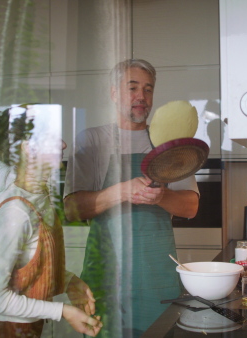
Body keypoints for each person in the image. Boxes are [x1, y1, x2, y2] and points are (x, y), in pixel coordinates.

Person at [63, 59, 200, 337]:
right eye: (132, 88)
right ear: (114, 93)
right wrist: (122, 191)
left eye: (148, 89)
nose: (141, 96)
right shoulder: (92, 140)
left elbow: (191, 206)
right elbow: (72, 209)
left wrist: (159, 196)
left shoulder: (168, 143)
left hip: (156, 276)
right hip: (106, 276)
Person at [0, 105, 103, 337]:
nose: (63, 145)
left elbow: (31, 269)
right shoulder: (16, 213)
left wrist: (70, 282)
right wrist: (62, 311)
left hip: (28, 328)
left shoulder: (39, 199)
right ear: (27, 147)